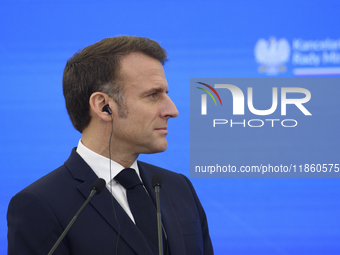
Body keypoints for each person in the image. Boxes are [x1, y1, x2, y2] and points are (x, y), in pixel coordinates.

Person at [7, 36, 213, 255]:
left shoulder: (179, 188)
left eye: (166, 94)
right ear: (104, 106)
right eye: (153, 95)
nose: (172, 110)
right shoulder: (40, 205)